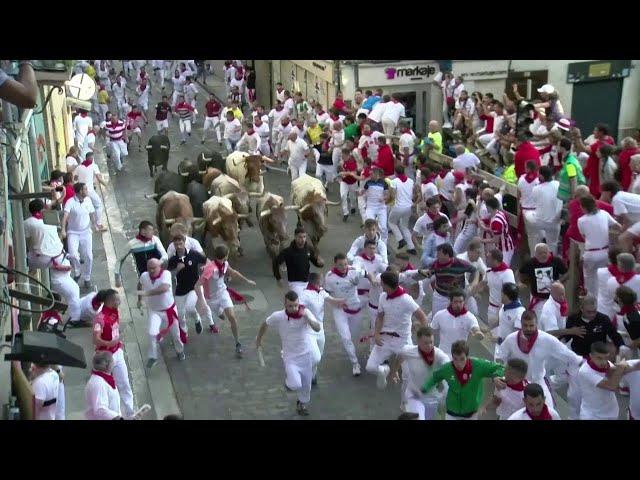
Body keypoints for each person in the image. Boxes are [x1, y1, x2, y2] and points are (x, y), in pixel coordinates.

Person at [496, 310, 583, 408]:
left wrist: (581, 362)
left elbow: (565, 353)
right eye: (525, 325)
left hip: (538, 382)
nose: (528, 329)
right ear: (521, 325)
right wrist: (499, 374)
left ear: (536, 324)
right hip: (516, 383)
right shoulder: (511, 339)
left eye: (531, 325)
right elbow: (499, 357)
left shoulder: (546, 339)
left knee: (549, 410)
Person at [256, 291, 321, 416]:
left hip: (305, 355)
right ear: (285, 304)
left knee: (306, 385)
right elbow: (265, 323)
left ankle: (301, 404)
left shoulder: (305, 313)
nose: (294, 308)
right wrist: (258, 339)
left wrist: (307, 319)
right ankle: (289, 383)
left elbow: (317, 328)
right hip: (290, 356)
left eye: (296, 305)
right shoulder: (278, 316)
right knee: (296, 384)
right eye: (290, 306)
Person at [366, 271, 429, 390]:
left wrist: (423, 336)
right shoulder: (382, 297)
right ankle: (385, 370)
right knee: (370, 367)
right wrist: (377, 333)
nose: (380, 285)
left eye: (382, 283)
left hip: (403, 340)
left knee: (409, 374)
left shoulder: (406, 299)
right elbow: (380, 317)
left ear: (386, 284)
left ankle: (409, 397)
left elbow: (422, 317)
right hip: (385, 339)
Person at [195, 245, 256, 358]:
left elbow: (233, 272)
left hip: (223, 293)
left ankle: (238, 343)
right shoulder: (210, 269)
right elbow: (197, 285)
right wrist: (202, 300)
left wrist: (247, 280)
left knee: (232, 317)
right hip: (211, 299)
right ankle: (219, 314)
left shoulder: (225, 264)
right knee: (222, 316)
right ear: (226, 256)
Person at [421, 340, 504, 420]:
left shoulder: (478, 365)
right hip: (451, 412)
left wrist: (496, 376)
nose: (458, 363)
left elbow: (500, 367)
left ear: (467, 356)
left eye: (462, 359)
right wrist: (425, 387)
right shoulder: (447, 368)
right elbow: (435, 377)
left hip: (471, 414)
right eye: (455, 359)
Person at [324, 252, 377, 376]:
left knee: (353, 336)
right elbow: (326, 294)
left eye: (345, 264)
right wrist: (335, 302)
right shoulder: (330, 277)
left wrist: (373, 280)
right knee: (346, 338)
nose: (344, 267)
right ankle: (355, 363)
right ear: (335, 264)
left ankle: (351, 351)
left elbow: (367, 274)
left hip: (355, 308)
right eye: (341, 265)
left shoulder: (354, 270)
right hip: (340, 310)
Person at [92, 289, 135, 418]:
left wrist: (118, 344)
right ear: (109, 301)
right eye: (117, 299)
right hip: (105, 357)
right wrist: (109, 343)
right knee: (109, 389)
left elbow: (115, 329)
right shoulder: (100, 318)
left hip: (117, 353)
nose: (119, 301)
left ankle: (131, 413)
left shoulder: (115, 311)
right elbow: (95, 339)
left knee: (125, 384)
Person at [389, 326, 449, 420]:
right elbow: (399, 357)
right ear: (418, 341)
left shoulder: (438, 355)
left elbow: (449, 366)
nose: (429, 346)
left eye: (431, 342)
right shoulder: (408, 351)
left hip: (433, 398)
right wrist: (395, 371)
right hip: (414, 395)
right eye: (426, 343)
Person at [298, 273, 346, 383]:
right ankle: (302, 370)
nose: (324, 281)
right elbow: (299, 309)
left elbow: (332, 300)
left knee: (320, 353)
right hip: (308, 329)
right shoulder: (305, 294)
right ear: (317, 281)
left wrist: (344, 300)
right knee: (315, 357)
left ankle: (312, 376)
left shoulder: (322, 292)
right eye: (322, 279)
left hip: (320, 329)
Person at [139, 258, 186, 368]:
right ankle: (153, 357)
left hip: (168, 310)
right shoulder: (144, 276)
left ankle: (180, 350)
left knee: (176, 334)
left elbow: (164, 288)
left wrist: (146, 293)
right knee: (151, 332)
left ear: (159, 267)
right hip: (154, 311)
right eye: (149, 268)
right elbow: (140, 284)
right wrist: (139, 299)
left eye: (153, 268)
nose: (151, 270)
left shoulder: (166, 274)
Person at [168, 234, 216, 335]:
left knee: (190, 307)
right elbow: (168, 275)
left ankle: (198, 319)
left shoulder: (193, 254)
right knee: (180, 314)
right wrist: (177, 270)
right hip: (180, 288)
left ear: (184, 242)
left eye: (180, 244)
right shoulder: (173, 259)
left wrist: (205, 268)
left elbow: (208, 262)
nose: (179, 247)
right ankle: (184, 331)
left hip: (194, 287)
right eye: (176, 245)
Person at [578, 195, 622, 296]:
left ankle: (591, 300)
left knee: (589, 280)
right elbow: (617, 226)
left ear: (584, 207)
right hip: (604, 253)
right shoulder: (604, 214)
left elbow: (584, 236)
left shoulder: (581, 220)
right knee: (603, 278)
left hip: (590, 253)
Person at [61, 183, 99, 288]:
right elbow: (65, 216)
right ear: (79, 191)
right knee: (73, 254)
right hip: (73, 232)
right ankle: (77, 272)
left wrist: (95, 224)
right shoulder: (70, 202)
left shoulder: (88, 200)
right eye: (85, 189)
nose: (87, 190)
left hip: (86, 232)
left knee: (89, 256)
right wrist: (63, 229)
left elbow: (92, 213)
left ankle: (87, 277)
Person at [577, 341, 627, 420]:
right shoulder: (585, 371)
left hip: (611, 412)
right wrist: (620, 368)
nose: (604, 362)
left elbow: (616, 385)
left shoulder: (608, 364)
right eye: (599, 358)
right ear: (591, 356)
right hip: (592, 415)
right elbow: (612, 386)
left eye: (606, 358)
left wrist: (617, 367)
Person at [427, 243, 479, 318]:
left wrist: (474, 282)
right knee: (436, 317)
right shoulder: (435, 265)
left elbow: (475, 270)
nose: (437, 256)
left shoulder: (460, 263)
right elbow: (428, 273)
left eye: (439, 254)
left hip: (457, 297)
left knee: (462, 317)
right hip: (440, 296)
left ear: (447, 255)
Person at [518, 243, 568, 319]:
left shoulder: (556, 261)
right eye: (540, 253)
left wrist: (559, 281)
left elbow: (567, 273)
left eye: (545, 252)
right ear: (535, 254)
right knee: (539, 319)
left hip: (554, 298)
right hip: (538, 299)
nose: (543, 255)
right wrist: (524, 282)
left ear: (548, 252)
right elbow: (521, 272)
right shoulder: (531, 263)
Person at [353, 240, 389, 345]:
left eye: (374, 248)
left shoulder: (378, 258)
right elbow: (356, 270)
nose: (372, 250)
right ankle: (355, 339)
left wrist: (393, 270)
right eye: (370, 248)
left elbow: (384, 267)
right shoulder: (358, 259)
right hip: (360, 296)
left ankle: (372, 349)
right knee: (356, 322)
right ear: (364, 249)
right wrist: (368, 275)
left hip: (374, 295)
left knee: (376, 323)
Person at [431, 289, 484, 358]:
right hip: (443, 355)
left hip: (460, 357)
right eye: (455, 302)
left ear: (464, 302)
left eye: (460, 302)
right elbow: (431, 330)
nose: (458, 305)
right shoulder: (440, 315)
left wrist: (478, 332)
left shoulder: (470, 317)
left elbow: (475, 328)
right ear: (450, 301)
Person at [273, 227, 324, 297]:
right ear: (295, 237)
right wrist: (278, 278)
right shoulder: (288, 251)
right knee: (300, 300)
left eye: (304, 237)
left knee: (316, 298)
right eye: (300, 237)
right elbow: (275, 262)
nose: (302, 239)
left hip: (307, 281)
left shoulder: (309, 248)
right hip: (294, 283)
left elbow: (314, 261)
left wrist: (319, 263)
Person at [116, 220, 168, 287]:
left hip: (158, 274)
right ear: (143, 232)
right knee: (143, 291)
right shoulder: (132, 244)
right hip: (144, 276)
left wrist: (157, 264)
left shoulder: (155, 240)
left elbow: (165, 255)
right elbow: (120, 260)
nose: (153, 232)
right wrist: (117, 277)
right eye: (150, 230)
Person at [85, 351, 127, 420]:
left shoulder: (104, 380)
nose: (114, 363)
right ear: (107, 365)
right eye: (112, 361)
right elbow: (100, 410)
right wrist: (117, 417)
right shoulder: (98, 383)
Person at [483, 249, 516, 333]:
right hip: (491, 309)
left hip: (504, 310)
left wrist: (501, 312)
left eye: (488, 258)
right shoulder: (488, 271)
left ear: (495, 260)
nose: (486, 260)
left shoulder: (507, 273)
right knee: (493, 337)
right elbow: (482, 284)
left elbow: (509, 294)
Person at [75, 152, 108, 228]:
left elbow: (75, 178)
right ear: (91, 158)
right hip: (89, 190)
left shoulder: (79, 167)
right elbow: (99, 178)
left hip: (80, 191)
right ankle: (98, 224)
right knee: (98, 205)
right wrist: (106, 185)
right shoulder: (94, 166)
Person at [389, 165, 416, 254]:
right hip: (408, 207)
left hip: (398, 206)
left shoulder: (394, 182)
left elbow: (392, 196)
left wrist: (386, 201)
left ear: (395, 172)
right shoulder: (411, 181)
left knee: (391, 222)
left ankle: (400, 239)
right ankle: (411, 247)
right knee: (404, 226)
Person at [481, 196, 515, 266]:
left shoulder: (496, 221)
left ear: (489, 207)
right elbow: (498, 231)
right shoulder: (498, 213)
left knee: (503, 268)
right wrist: (485, 228)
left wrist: (482, 240)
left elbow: (496, 240)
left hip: (505, 249)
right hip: (504, 246)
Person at [361, 166, 390, 242]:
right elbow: (363, 191)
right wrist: (360, 192)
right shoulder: (368, 182)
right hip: (370, 207)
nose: (370, 175)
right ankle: (370, 241)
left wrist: (383, 198)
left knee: (383, 227)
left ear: (377, 174)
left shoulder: (384, 183)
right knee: (370, 224)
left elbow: (387, 195)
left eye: (372, 174)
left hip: (381, 208)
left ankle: (384, 244)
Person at [557, 138, 586, 203]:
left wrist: (573, 198)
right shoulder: (568, 159)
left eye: (558, 145)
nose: (557, 147)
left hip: (569, 197)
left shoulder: (570, 164)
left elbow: (573, 181)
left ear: (563, 148)